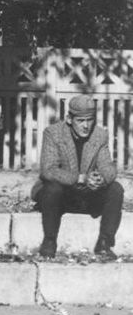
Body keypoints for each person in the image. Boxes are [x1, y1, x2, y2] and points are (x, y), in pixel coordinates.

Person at [31, 94, 124, 260]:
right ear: (69, 119)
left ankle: (104, 243)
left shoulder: (99, 135)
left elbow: (108, 166)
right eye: (80, 121)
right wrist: (80, 178)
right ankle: (49, 241)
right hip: (61, 195)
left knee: (116, 189)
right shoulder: (53, 133)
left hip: (85, 195)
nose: (86, 126)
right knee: (52, 188)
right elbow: (49, 170)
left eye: (89, 120)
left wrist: (101, 178)